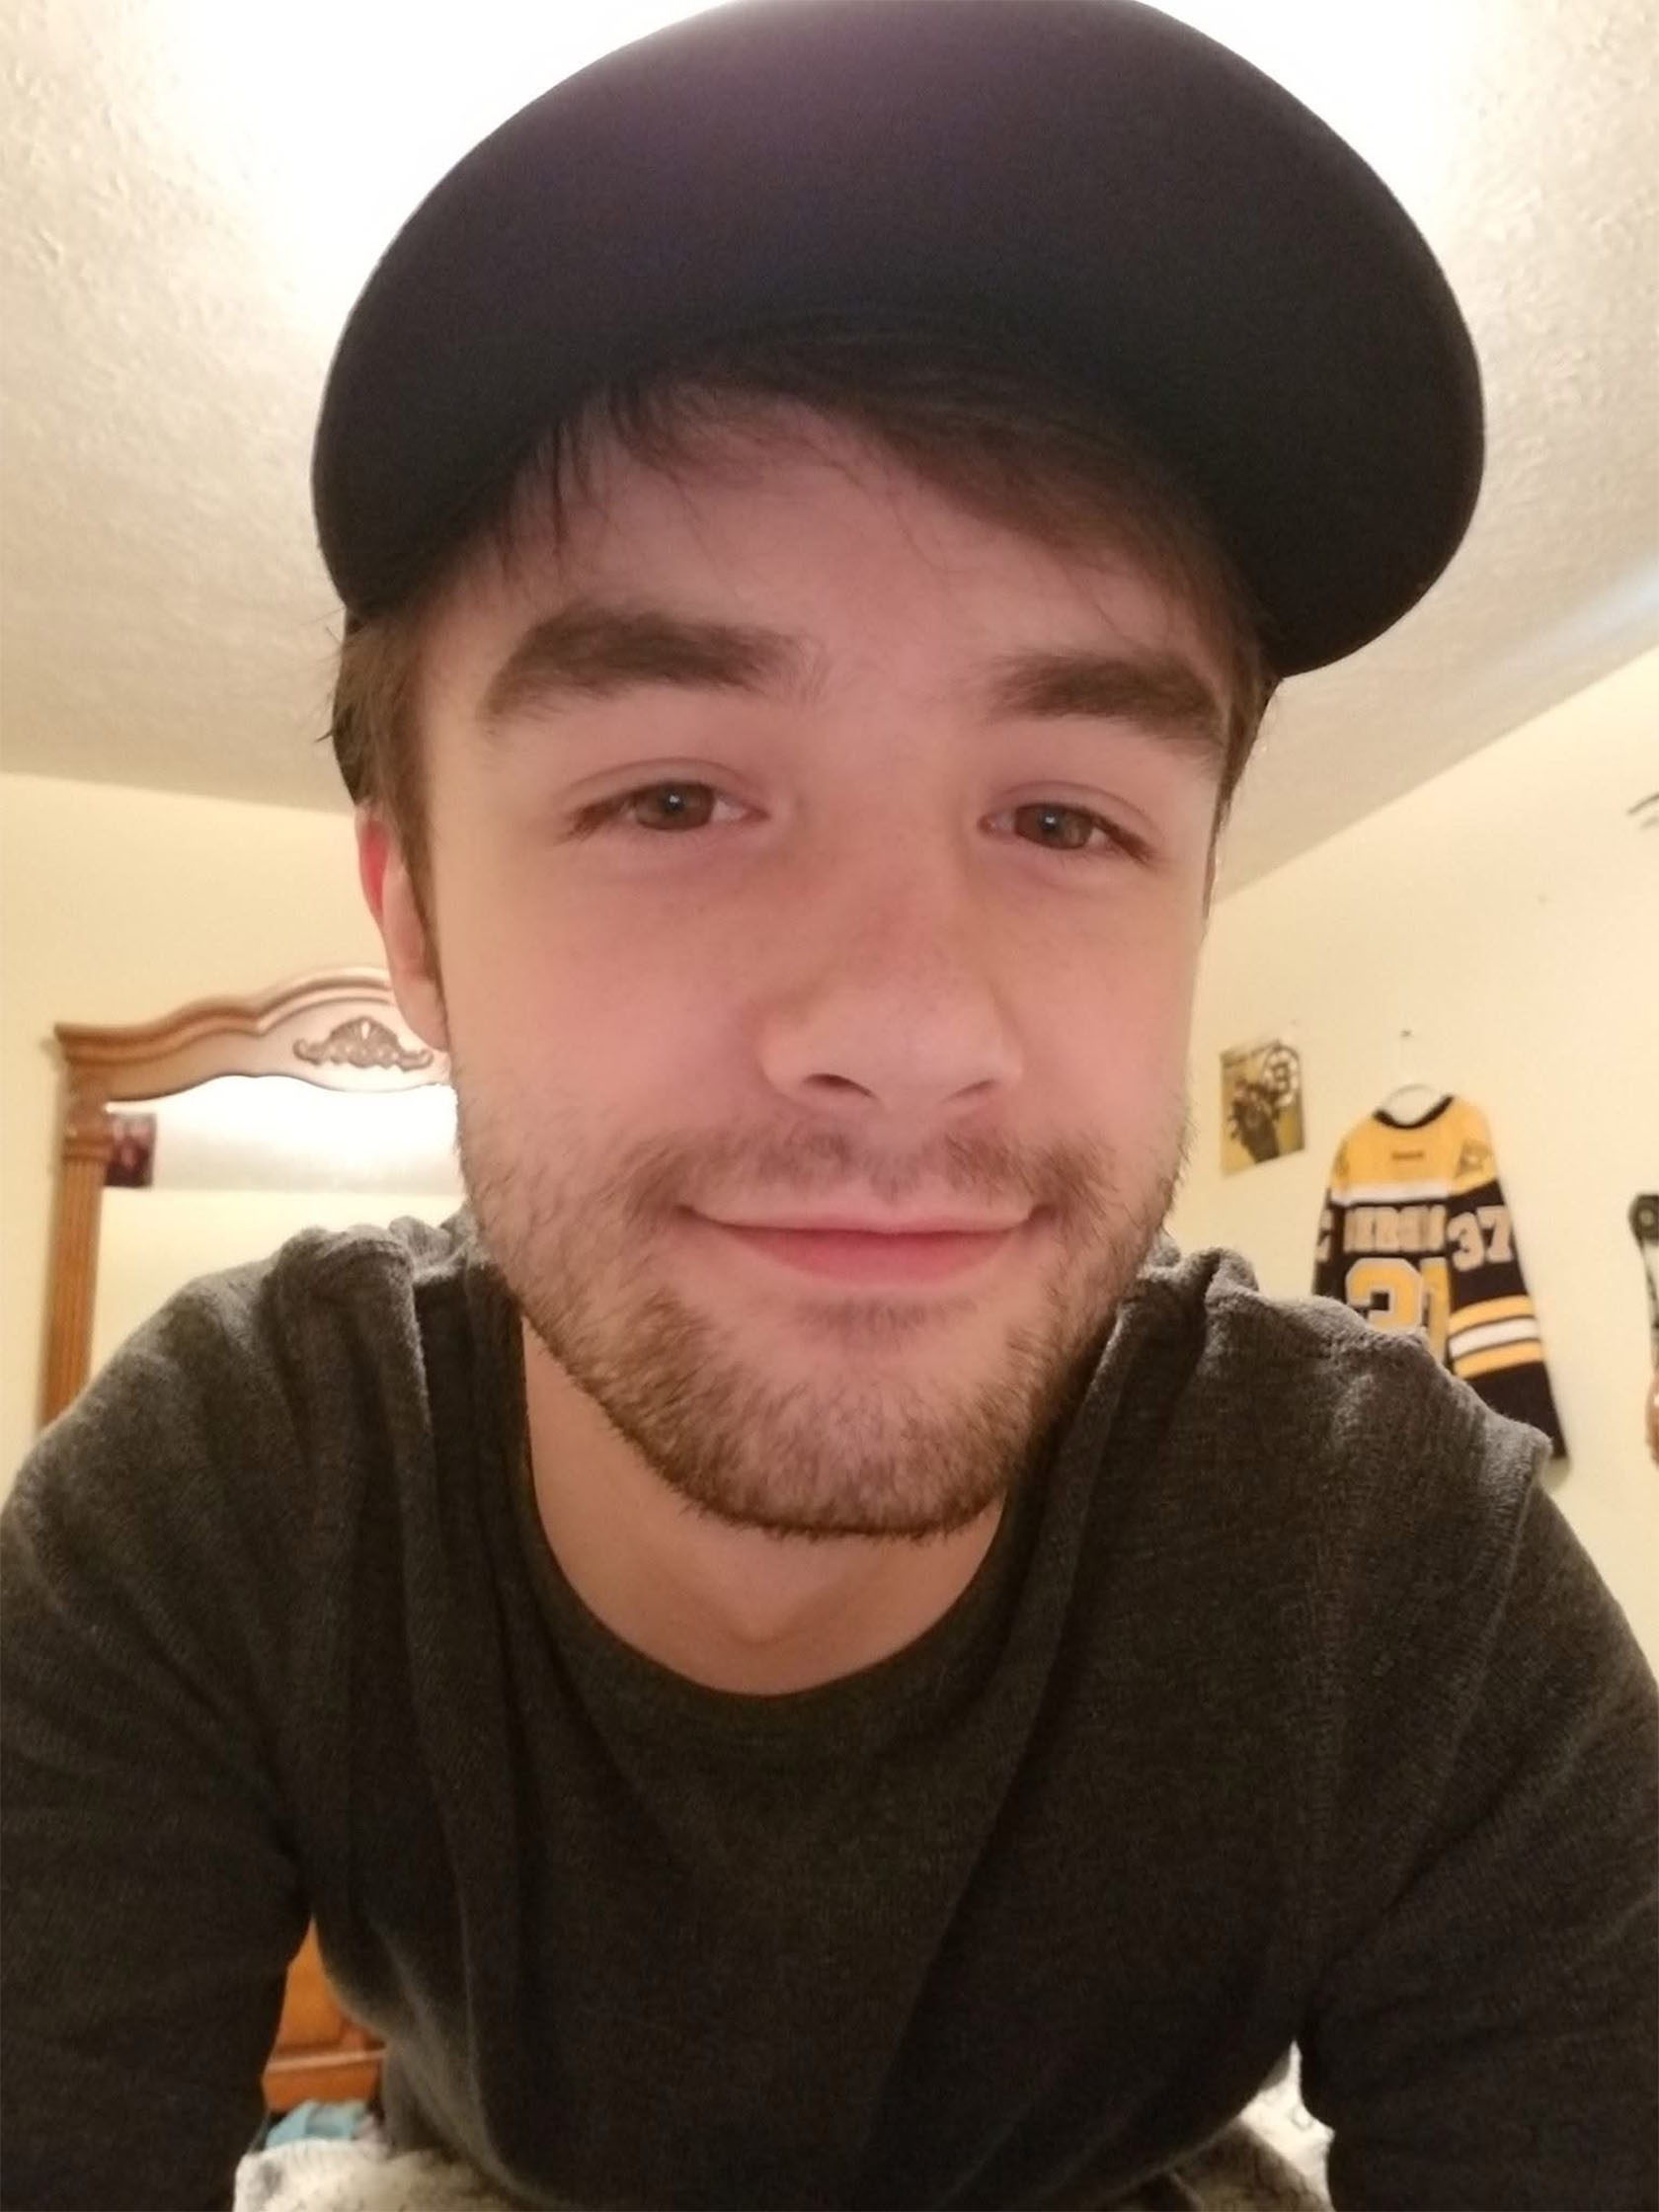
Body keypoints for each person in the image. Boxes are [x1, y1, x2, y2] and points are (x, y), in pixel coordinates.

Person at [3, 3, 1655, 2207]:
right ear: (413, 925)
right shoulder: (227, 1496)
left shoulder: (1401, 1569)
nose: (904, 1021)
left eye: (1065, 816)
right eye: (673, 791)